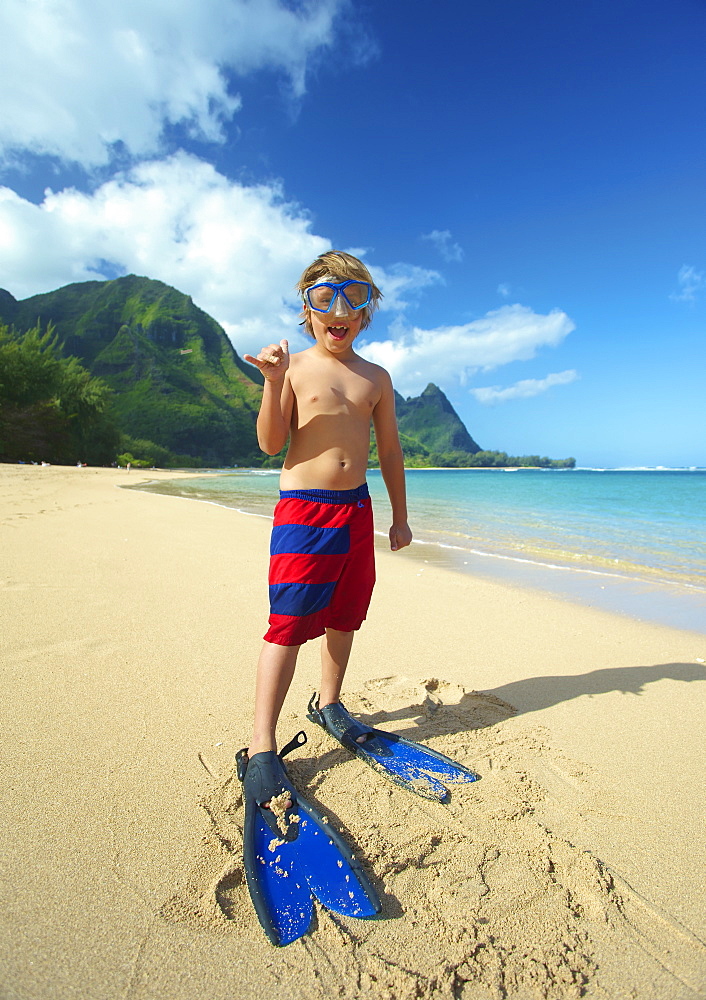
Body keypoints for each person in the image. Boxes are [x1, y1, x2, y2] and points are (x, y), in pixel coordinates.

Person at [243, 250, 412, 763]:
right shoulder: (291, 368)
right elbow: (270, 443)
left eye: (352, 298)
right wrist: (272, 385)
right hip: (303, 512)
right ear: (308, 309)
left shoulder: (376, 378)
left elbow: (389, 451)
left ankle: (329, 702)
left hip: (357, 511)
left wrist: (399, 516)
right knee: (290, 622)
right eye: (324, 298)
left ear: (364, 312)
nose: (338, 311)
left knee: (345, 613)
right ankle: (262, 744)